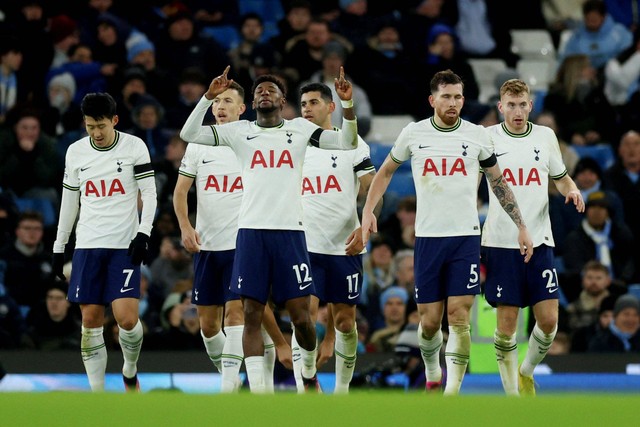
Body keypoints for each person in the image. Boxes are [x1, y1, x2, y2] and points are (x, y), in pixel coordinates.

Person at [179, 65, 359, 393]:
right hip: (250, 234)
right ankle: (260, 394)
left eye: (271, 90)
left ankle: (306, 371)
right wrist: (207, 97)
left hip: (291, 234)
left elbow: (347, 142)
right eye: (259, 90)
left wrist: (347, 106)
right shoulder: (239, 132)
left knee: (302, 318)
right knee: (250, 313)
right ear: (253, 101)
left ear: (282, 100)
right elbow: (189, 134)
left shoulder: (301, 130)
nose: (264, 93)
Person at [361, 70, 534, 396]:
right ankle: (431, 371)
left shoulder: (477, 136)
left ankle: (451, 392)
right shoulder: (414, 133)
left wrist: (521, 226)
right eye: (446, 96)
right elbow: (384, 172)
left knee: (458, 315)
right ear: (432, 100)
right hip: (428, 239)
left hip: (465, 238)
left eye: (457, 97)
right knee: (428, 323)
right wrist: (369, 211)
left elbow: (498, 183)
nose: (453, 103)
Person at [174, 80, 291, 392]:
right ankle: (238, 375)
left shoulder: (254, 139)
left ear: (243, 108)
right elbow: (181, 192)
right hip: (207, 245)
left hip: (244, 242)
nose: (220, 107)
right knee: (208, 327)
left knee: (240, 314)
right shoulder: (200, 145)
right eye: (217, 102)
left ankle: (233, 392)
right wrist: (186, 227)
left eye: (228, 101)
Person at [482, 78, 585, 396]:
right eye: (510, 105)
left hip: (540, 240)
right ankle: (514, 397)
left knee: (550, 321)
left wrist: (573, 189)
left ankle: (526, 371)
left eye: (522, 104)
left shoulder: (545, 137)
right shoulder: (487, 139)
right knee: (507, 326)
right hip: (501, 242)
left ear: (530, 105)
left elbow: (561, 178)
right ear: (501, 108)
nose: (516, 111)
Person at [51, 92, 158, 392]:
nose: (96, 133)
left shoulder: (134, 146)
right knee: (90, 320)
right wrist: (60, 246)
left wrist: (144, 233)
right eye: (89, 127)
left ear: (114, 120)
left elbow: (149, 194)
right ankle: (98, 395)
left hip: (124, 245)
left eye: (101, 125)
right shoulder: (75, 152)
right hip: (88, 245)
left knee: (126, 319)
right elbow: (69, 202)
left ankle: (129, 369)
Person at [291, 82, 376, 393]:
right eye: (302, 104)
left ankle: (341, 392)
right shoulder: (293, 146)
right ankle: (307, 382)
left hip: (344, 246)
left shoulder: (350, 143)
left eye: (314, 102)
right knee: (303, 315)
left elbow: (370, 186)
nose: (307, 109)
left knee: (344, 323)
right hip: (304, 245)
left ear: (330, 107)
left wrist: (366, 222)